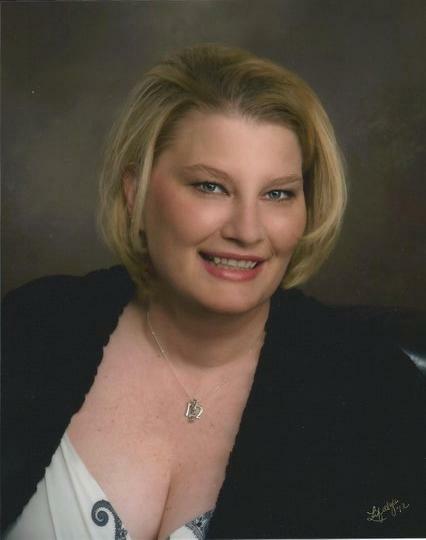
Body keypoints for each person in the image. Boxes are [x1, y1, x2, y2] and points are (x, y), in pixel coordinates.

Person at [2, 44, 425, 540]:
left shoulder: (371, 385)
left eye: (278, 194)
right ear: (136, 191)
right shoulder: (32, 327)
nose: (247, 231)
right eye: (211, 186)